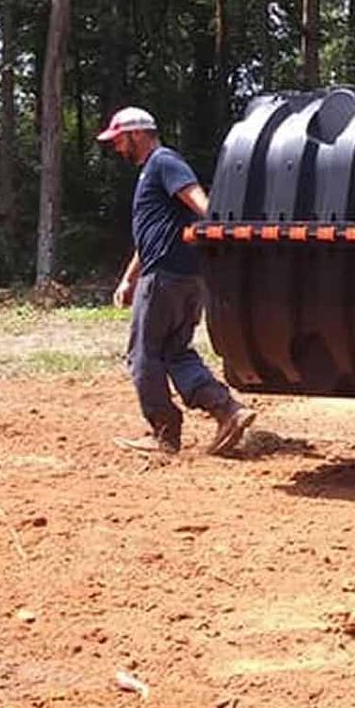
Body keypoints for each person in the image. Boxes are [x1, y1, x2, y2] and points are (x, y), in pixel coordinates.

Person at [99, 105, 256, 455]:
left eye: (119, 140)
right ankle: (227, 410)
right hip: (183, 277)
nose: (117, 147)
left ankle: (164, 434)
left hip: (166, 279)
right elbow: (152, 236)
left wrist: (219, 227)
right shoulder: (153, 171)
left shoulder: (163, 162)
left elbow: (197, 199)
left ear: (136, 133)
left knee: (143, 355)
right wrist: (128, 280)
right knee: (175, 351)